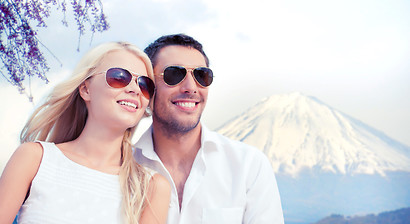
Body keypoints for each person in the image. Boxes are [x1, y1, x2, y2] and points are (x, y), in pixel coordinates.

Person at [0, 42, 171, 224]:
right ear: (85, 89)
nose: (135, 89)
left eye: (144, 85)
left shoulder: (152, 187)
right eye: (119, 77)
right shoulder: (34, 158)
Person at [134, 34, 284, 223]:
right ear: (147, 85)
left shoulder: (249, 166)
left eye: (201, 75)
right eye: (174, 74)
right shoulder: (123, 168)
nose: (191, 87)